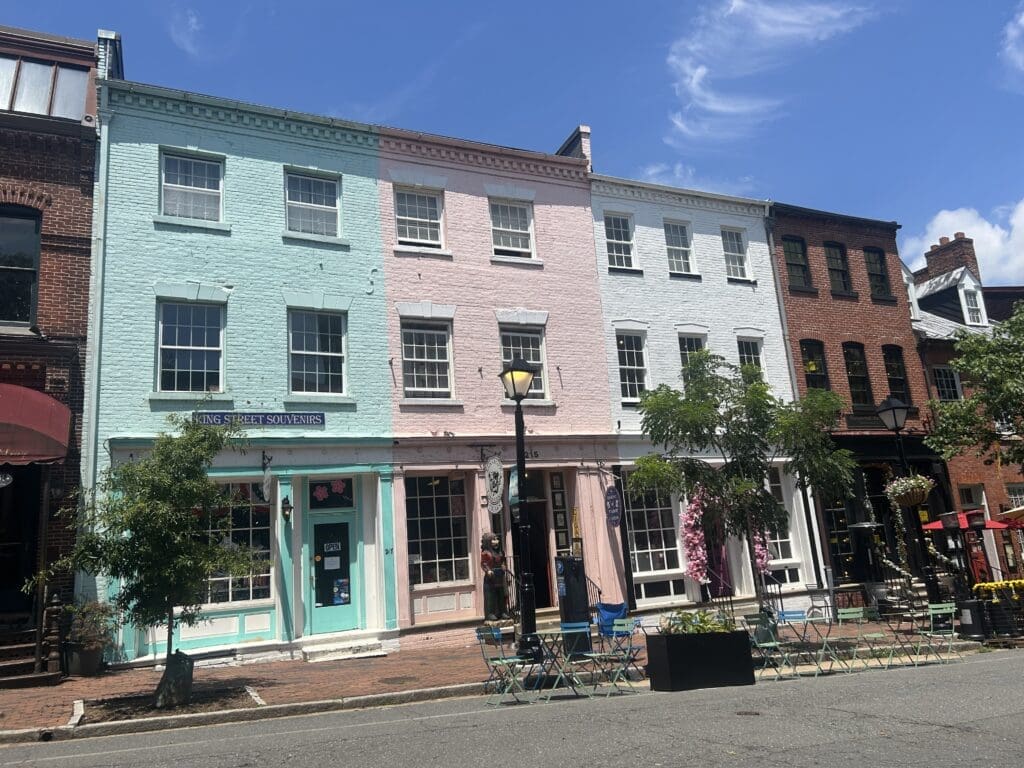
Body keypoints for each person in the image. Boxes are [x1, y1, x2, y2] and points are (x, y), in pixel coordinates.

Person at [480, 532, 510, 621]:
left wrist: (504, 565)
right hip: (491, 578)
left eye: (497, 539)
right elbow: (483, 563)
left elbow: (503, 561)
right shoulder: (485, 553)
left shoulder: (500, 552)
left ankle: (503, 612)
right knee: (491, 596)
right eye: (493, 540)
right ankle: (490, 613)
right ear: (488, 542)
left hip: (500, 576)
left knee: (501, 595)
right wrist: (488, 570)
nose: (496, 541)